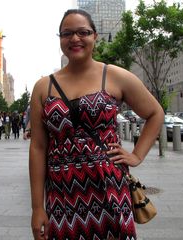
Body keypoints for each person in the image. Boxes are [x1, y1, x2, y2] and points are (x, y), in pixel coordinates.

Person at [29, 9, 164, 240]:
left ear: (95, 36)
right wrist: (37, 208)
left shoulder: (115, 76)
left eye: (83, 32)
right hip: (62, 194)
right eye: (67, 33)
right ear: (60, 38)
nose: (75, 39)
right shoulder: (43, 87)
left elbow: (155, 113)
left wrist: (137, 156)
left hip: (109, 189)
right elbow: (38, 147)